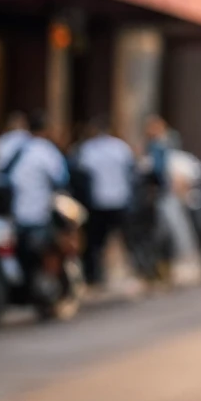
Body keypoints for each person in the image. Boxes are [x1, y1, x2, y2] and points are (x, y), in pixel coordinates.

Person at [6, 110, 70, 278]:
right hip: (38, 214)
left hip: (12, 215)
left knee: (22, 258)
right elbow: (62, 179)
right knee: (44, 256)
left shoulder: (13, 147)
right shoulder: (46, 151)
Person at [74, 116, 134, 287]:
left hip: (98, 201)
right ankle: (128, 273)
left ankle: (96, 276)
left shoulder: (88, 149)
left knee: (96, 242)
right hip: (119, 199)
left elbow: (81, 172)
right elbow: (131, 170)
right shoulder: (120, 147)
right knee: (122, 239)